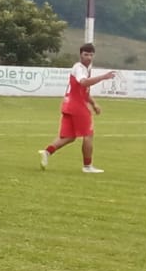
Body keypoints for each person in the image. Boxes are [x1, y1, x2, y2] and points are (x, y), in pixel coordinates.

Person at [41, 43, 116, 173]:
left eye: (91, 55)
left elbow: (84, 91)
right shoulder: (79, 68)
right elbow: (84, 82)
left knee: (69, 137)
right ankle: (87, 166)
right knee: (88, 135)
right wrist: (103, 77)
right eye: (86, 54)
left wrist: (93, 103)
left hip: (68, 104)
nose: (89, 57)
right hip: (77, 106)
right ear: (80, 54)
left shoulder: (87, 68)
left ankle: (47, 152)